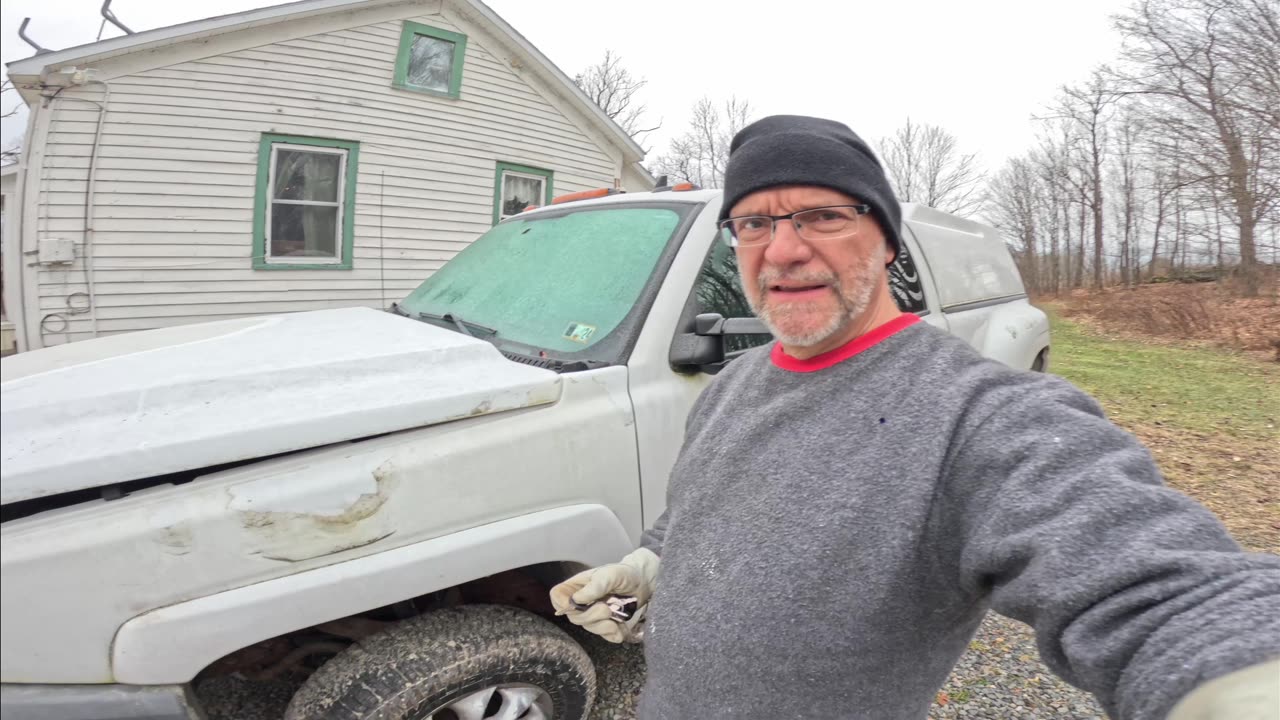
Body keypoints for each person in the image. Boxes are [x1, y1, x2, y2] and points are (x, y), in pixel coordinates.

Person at [549, 115, 1280, 720]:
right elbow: (696, 514)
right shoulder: (732, 385)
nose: (784, 248)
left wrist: (1232, 679)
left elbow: (1153, 586)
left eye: (824, 216)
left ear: (889, 240)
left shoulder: (978, 414)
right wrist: (648, 567)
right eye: (753, 224)